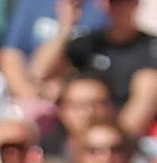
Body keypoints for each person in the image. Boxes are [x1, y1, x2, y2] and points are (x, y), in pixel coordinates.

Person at [30, 0, 157, 137]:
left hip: (127, 129)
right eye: (113, 3)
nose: (119, 8)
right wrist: (66, 26)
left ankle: (115, 143)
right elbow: (38, 72)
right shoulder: (90, 42)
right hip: (81, 125)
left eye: (125, 2)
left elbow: (147, 96)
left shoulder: (151, 47)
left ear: (136, 4)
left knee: (149, 81)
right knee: (69, 91)